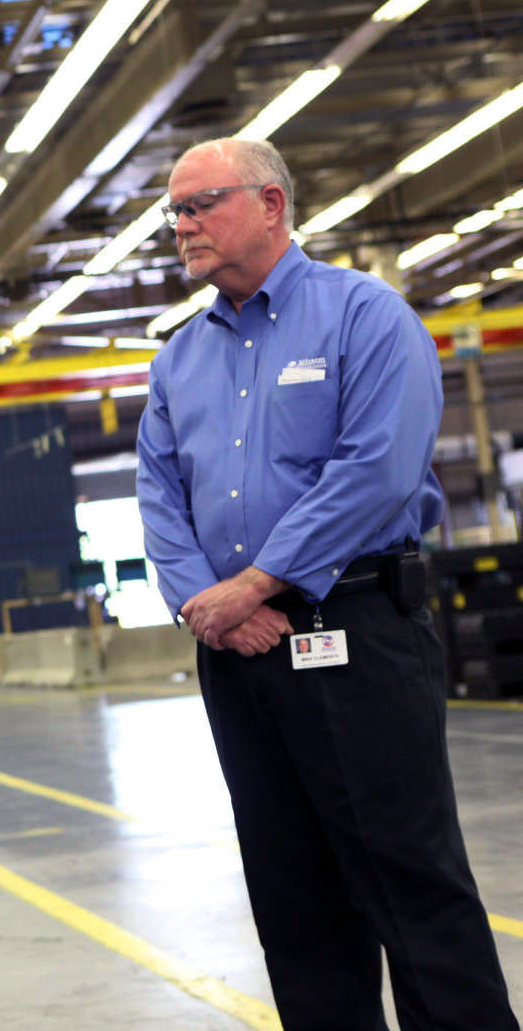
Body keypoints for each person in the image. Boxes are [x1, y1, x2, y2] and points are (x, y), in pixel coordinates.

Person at [136, 137, 516, 1031]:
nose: (182, 225)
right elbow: (159, 495)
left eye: (201, 204)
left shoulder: (364, 316)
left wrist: (260, 583)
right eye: (174, 211)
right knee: (293, 901)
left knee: (409, 883)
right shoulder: (178, 359)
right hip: (235, 652)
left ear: (271, 204)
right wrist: (211, 606)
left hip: (358, 633)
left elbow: (377, 468)